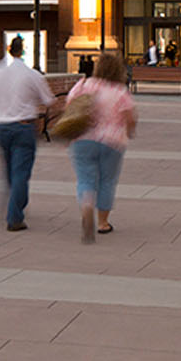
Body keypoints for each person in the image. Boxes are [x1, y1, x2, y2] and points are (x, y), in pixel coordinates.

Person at [0, 36, 53, 231]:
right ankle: (15, 216)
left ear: (9, 49)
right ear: (23, 51)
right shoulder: (32, 74)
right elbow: (48, 99)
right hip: (24, 126)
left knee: (10, 170)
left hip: (1, 126)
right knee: (21, 172)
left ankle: (17, 202)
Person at [64, 51, 138, 242]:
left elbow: (69, 106)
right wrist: (130, 131)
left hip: (82, 139)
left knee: (85, 179)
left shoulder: (83, 85)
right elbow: (130, 117)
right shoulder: (119, 91)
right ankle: (103, 223)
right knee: (107, 181)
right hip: (112, 142)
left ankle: (87, 205)